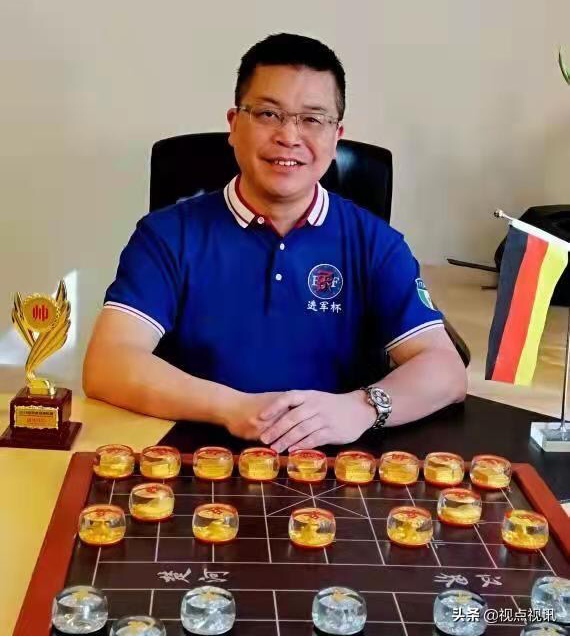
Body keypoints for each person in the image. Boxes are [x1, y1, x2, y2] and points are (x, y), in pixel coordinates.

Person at [83, 33, 467, 453]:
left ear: (336, 136)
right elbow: (108, 362)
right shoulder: (167, 235)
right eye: (268, 114)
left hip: (335, 465)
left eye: (312, 119)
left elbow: (444, 368)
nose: (289, 136)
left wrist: (360, 408)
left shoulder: (376, 244)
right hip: (194, 458)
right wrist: (233, 407)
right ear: (234, 125)